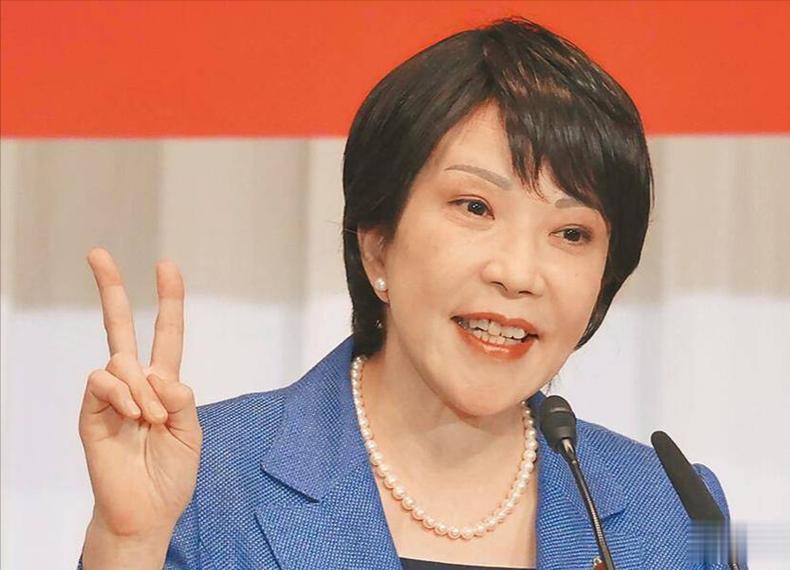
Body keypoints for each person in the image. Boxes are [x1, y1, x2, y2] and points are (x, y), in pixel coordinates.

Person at [77, 17, 730, 570]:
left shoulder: (673, 512)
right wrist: (126, 546)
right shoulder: (207, 481)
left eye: (571, 232)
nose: (519, 273)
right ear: (378, 244)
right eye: (475, 207)